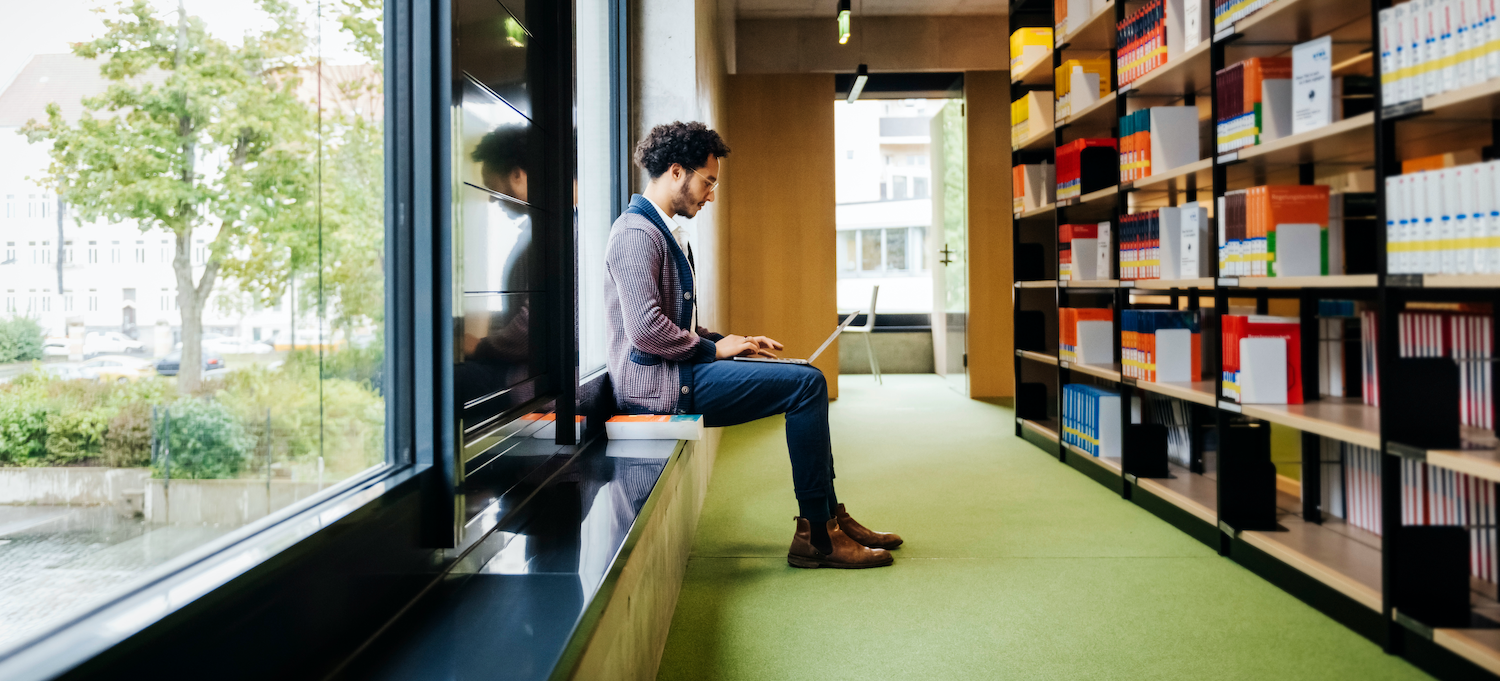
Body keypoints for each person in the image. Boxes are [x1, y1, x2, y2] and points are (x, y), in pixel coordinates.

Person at [604, 121, 902, 569]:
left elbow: (675, 325)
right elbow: (646, 331)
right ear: (677, 172)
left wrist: (728, 340)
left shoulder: (660, 231)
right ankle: (819, 534)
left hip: (674, 372)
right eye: (709, 182)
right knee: (807, 385)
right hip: (656, 386)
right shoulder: (634, 234)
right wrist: (712, 352)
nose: (711, 194)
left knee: (806, 379)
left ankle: (830, 517)